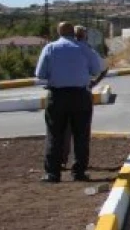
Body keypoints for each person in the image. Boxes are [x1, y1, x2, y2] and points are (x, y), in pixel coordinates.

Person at [35, 21, 104, 183]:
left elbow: (40, 73)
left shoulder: (50, 48)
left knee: (54, 134)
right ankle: (79, 172)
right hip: (80, 95)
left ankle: (52, 173)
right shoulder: (84, 48)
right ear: (73, 32)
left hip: (57, 96)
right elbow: (96, 70)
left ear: (58, 32)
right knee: (81, 135)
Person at [60, 26, 108, 168]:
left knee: (63, 130)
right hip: (81, 93)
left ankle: (62, 160)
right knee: (81, 132)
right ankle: (79, 165)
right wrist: (94, 82)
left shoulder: (58, 49)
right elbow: (104, 68)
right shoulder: (87, 50)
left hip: (61, 94)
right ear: (85, 37)